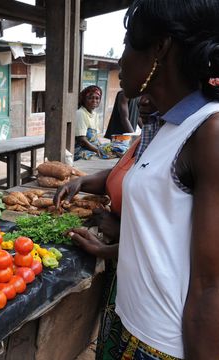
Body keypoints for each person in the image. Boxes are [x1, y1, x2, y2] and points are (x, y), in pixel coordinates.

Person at [68, 0, 219, 359]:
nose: (121, 60)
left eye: (127, 44)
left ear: (160, 48)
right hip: (132, 320)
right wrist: (109, 251)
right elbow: (166, 243)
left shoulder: (218, 132)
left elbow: (209, 286)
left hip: (169, 345)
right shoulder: (166, 127)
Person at [54, 95, 159, 360]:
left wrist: (111, 243)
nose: (142, 102)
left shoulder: (185, 145)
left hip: (153, 298)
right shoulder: (143, 139)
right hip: (125, 271)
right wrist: (82, 182)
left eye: (151, 91)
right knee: (114, 332)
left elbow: (169, 237)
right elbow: (117, 175)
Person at [74, 85, 117, 160]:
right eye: (90, 98)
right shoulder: (80, 113)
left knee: (117, 148)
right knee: (102, 157)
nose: (94, 101)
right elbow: (82, 140)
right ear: (84, 99)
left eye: (97, 98)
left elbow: (95, 139)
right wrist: (98, 150)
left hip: (92, 148)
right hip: (82, 150)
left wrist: (104, 148)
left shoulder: (95, 115)